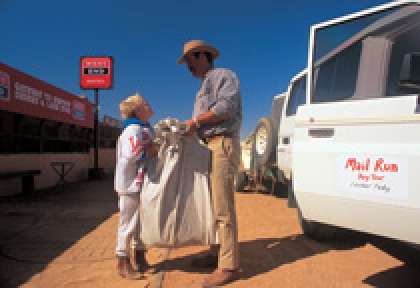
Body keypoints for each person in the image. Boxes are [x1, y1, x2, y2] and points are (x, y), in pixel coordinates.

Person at [178, 40, 242, 287]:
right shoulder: (202, 88)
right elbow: (200, 123)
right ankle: (217, 252)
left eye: (190, 61)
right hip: (208, 147)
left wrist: (193, 122)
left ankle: (229, 266)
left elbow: (226, 107)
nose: (188, 67)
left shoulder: (223, 76)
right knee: (213, 205)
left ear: (202, 56)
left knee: (223, 207)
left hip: (222, 144)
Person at [114, 94, 156, 279]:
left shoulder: (144, 128)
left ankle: (139, 257)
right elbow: (131, 154)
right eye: (146, 104)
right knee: (128, 223)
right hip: (130, 183)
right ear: (138, 110)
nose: (149, 106)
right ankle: (123, 262)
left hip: (141, 183)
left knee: (141, 222)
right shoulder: (133, 129)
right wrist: (151, 150)